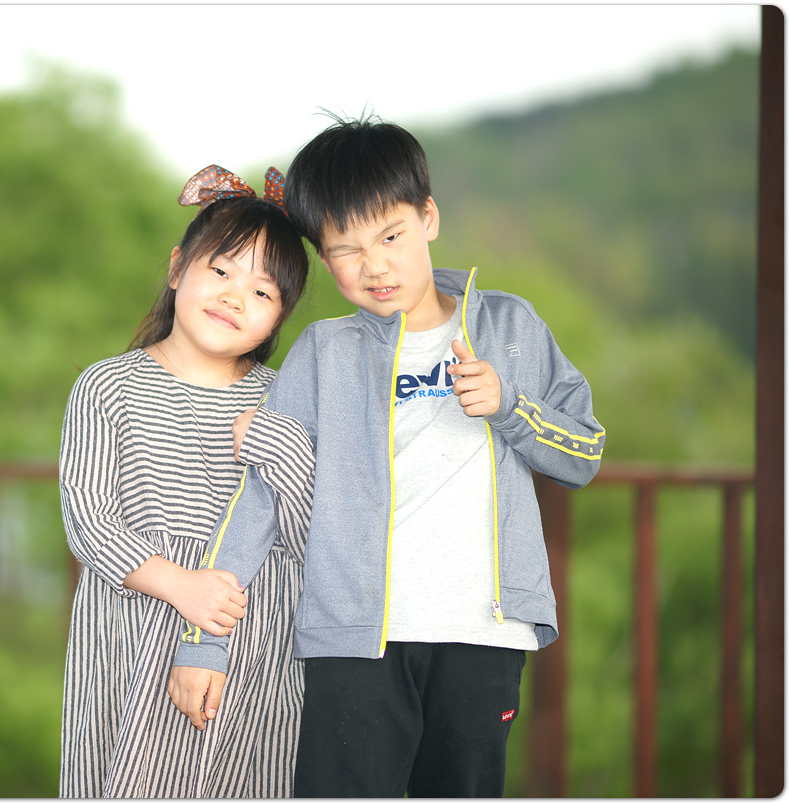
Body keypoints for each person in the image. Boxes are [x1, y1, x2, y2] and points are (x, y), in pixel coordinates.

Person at [168, 116, 605, 797]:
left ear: (428, 217)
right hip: (354, 641)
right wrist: (204, 643)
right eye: (345, 249)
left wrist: (511, 407)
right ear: (324, 258)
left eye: (391, 236)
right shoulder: (323, 351)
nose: (373, 266)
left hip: (484, 637)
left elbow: (585, 452)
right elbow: (260, 499)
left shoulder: (511, 326)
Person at [59, 164, 313, 798]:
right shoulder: (108, 386)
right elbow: (88, 519)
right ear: (177, 269)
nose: (235, 297)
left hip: (251, 635)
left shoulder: (286, 401)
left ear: (280, 316)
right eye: (221, 272)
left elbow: (311, 529)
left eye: (262, 291)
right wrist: (180, 586)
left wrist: (277, 446)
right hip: (135, 626)